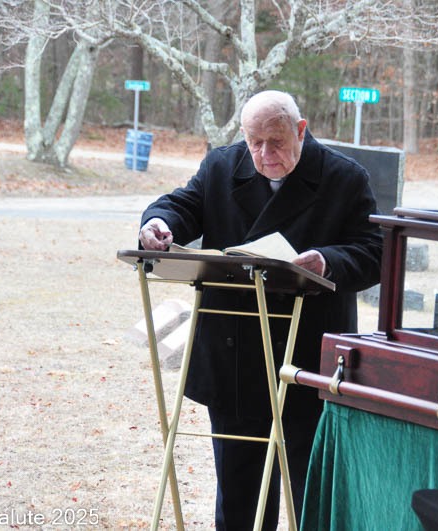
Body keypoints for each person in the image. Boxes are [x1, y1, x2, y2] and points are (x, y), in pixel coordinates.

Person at [138, 90, 382, 530]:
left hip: (306, 358)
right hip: (235, 356)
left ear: (301, 130)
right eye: (255, 142)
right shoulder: (222, 166)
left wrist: (327, 260)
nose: (265, 154)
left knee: (312, 492)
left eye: (277, 142)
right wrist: (159, 223)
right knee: (240, 496)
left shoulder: (344, 178)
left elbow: (374, 252)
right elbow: (182, 205)